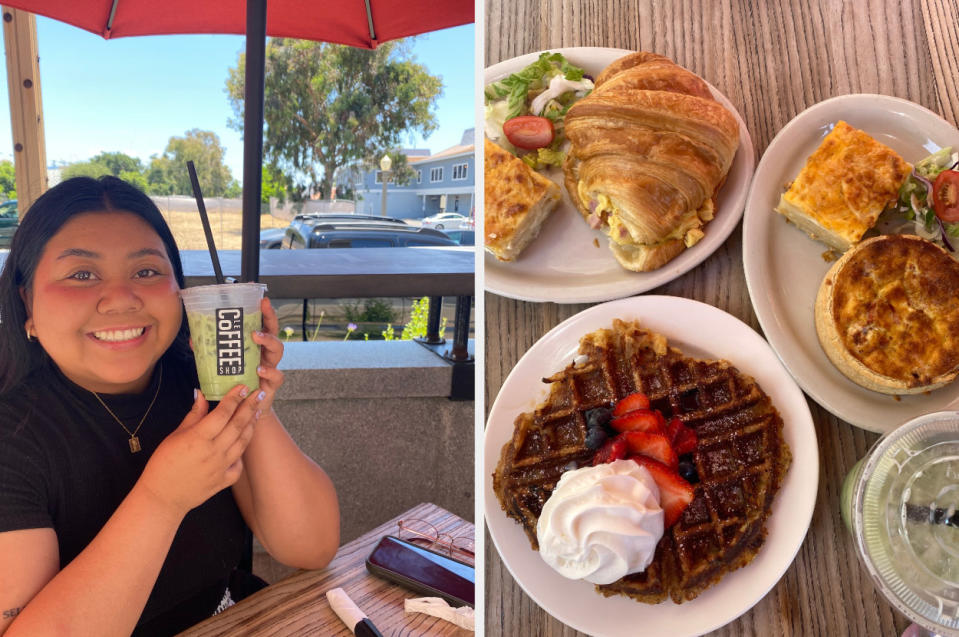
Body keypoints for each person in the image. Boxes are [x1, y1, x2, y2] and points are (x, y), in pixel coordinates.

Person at [0, 176, 340, 636]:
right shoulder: (13, 438)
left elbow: (312, 547)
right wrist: (162, 499)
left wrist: (247, 394)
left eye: (145, 271)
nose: (122, 298)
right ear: (27, 306)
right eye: (82, 274)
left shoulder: (194, 380)